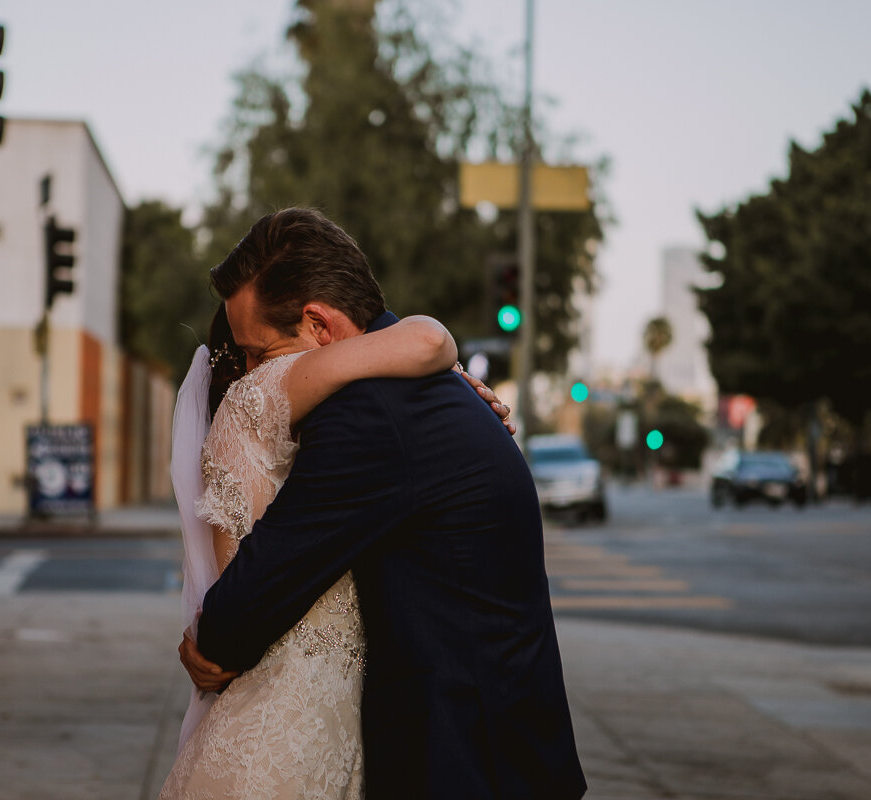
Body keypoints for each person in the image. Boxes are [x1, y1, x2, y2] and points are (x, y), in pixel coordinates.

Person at [180, 208, 586, 799]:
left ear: (319, 326)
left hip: (465, 766)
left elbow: (264, 583)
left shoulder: (369, 414)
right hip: (507, 752)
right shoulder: (431, 388)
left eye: (257, 354)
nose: (246, 379)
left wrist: (208, 645)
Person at [163, 298, 494, 797]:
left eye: (263, 352)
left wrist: (448, 385)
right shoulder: (257, 404)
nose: (261, 371)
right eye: (250, 356)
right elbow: (241, 603)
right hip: (279, 737)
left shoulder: (341, 434)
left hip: (358, 730)